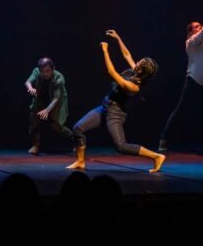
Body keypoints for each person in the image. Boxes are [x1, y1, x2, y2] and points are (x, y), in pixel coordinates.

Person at [66, 30, 165, 173]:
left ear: (141, 71)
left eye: (139, 63)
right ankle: (80, 161)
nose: (136, 62)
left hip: (115, 113)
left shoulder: (134, 86)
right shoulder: (136, 72)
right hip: (105, 106)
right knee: (78, 128)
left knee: (121, 146)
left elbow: (112, 72)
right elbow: (127, 55)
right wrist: (118, 38)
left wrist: (105, 51)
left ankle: (156, 156)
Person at [158, 0, 203, 154]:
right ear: (191, 32)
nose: (200, 27)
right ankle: (163, 138)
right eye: (197, 26)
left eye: (199, 25)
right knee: (180, 109)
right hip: (193, 80)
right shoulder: (191, 42)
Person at [25, 57, 73, 155]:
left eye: (48, 71)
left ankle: (76, 139)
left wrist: (47, 110)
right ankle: (36, 145)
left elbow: (56, 98)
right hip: (41, 100)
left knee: (56, 126)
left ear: (53, 69)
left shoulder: (58, 78)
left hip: (57, 102)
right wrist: (30, 88)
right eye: (42, 71)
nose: (45, 74)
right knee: (34, 122)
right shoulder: (36, 72)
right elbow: (28, 82)